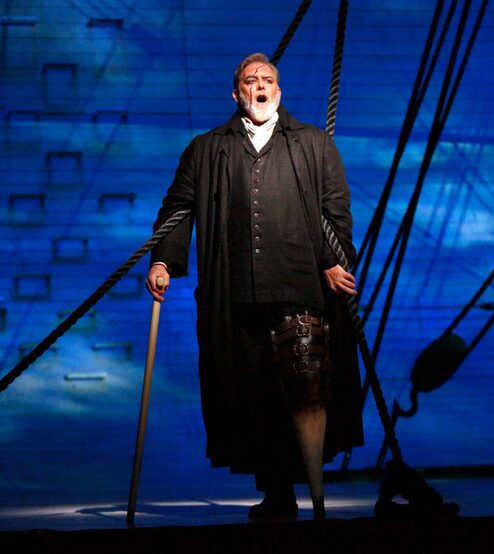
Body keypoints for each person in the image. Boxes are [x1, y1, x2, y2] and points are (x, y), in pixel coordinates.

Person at [145, 52, 363, 520]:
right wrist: (164, 259)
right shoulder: (207, 149)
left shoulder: (312, 143)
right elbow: (178, 209)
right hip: (237, 295)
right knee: (255, 396)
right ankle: (279, 494)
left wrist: (332, 261)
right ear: (236, 92)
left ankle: (319, 499)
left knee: (307, 389)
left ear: (279, 91)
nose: (259, 86)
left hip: (301, 287)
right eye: (250, 80)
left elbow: (335, 213)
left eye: (267, 80)